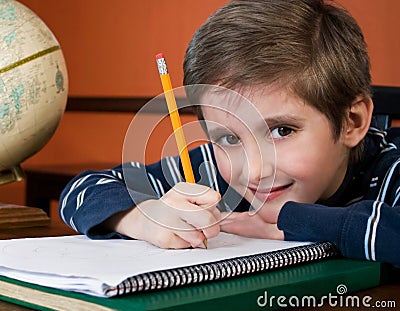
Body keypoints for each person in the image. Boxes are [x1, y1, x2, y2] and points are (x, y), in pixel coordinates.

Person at [59, 0, 400, 267]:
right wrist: (140, 218)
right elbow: (80, 190)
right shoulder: (210, 170)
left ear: (353, 122)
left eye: (281, 130)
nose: (254, 171)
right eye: (229, 138)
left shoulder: (391, 171)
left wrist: (287, 220)